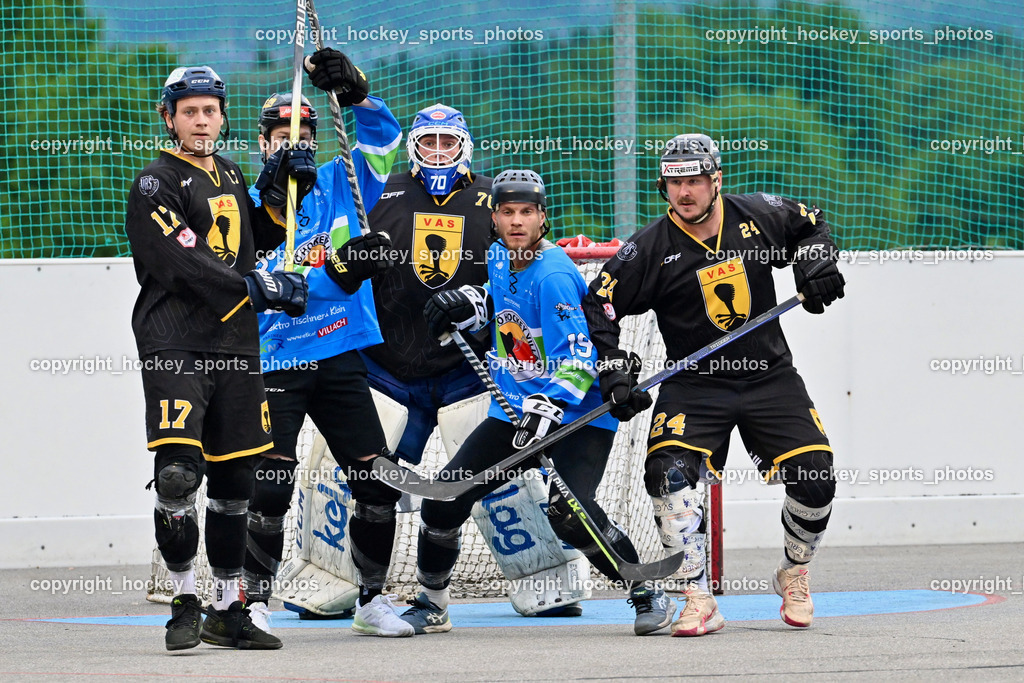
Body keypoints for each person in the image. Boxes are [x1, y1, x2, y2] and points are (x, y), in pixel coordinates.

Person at [581, 133, 844, 636]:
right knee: (668, 476)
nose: (685, 192)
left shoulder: (759, 215)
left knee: (816, 476)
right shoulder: (649, 248)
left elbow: (812, 225)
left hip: (770, 376)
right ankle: (697, 596)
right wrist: (612, 365)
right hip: (693, 382)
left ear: (716, 179)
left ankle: (794, 569)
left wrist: (815, 263)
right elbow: (601, 302)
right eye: (675, 182)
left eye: (695, 181)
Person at [398, 170, 677, 636]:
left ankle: (647, 593)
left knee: (570, 515)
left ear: (542, 218)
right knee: (444, 499)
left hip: (576, 414)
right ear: (494, 217)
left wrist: (544, 410)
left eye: (527, 212)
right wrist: (470, 304)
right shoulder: (497, 258)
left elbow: (580, 358)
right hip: (514, 409)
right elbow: (505, 306)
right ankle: (432, 603)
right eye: (507, 212)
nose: (517, 222)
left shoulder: (554, 276)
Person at [362, 105, 589, 618]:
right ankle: (346, 586)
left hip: (471, 371)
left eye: (448, 142)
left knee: (499, 480)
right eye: (428, 142)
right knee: (360, 477)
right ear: (414, 146)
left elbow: (530, 277)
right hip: (388, 365)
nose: (438, 152)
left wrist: (476, 304)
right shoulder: (377, 190)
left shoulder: (499, 200)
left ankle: (543, 579)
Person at [125, 65, 313, 651]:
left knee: (237, 478)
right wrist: (258, 288)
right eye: (189, 112)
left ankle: (227, 610)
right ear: (169, 118)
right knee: (179, 472)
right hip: (174, 339)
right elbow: (186, 260)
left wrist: (283, 189)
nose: (201, 120)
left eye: (210, 111)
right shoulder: (155, 182)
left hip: (235, 343)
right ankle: (182, 600)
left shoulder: (229, 171)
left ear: (222, 116)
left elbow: (253, 236)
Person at [241, 48, 413, 638]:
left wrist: (357, 90)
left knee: (376, 478)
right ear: (262, 141)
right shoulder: (244, 200)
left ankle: (370, 599)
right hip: (275, 355)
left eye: (306, 129)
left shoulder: (342, 178)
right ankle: (253, 601)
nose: (295, 140)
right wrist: (331, 275)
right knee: (270, 479)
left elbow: (386, 141)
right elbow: (251, 286)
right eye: (281, 133)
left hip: (338, 349)